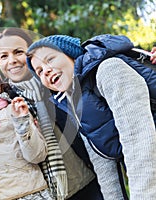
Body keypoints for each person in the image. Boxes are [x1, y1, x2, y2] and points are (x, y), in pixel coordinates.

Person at [26, 34, 156, 200]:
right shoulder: (73, 103)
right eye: (40, 71)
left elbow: (138, 139)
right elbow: (102, 161)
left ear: (71, 54)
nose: (46, 71)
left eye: (50, 59)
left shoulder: (109, 70)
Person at [0, 27, 103, 200]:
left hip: (90, 178)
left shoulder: (56, 80)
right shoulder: (3, 103)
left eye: (18, 52)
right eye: (4, 56)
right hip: (50, 193)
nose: (12, 60)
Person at [0, 60, 53, 200]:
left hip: (32, 191)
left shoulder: (15, 108)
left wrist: (22, 121)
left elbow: (37, 155)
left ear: (0, 83)